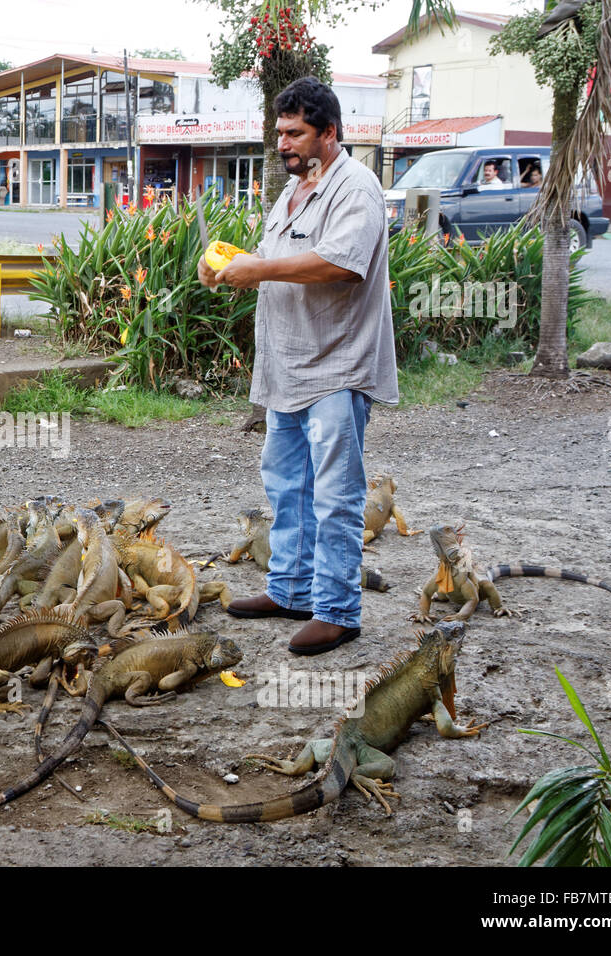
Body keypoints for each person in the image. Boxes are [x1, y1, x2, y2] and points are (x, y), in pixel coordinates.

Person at [197, 76, 398, 655]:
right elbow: (282, 264)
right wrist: (232, 268)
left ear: (329, 133)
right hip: (286, 369)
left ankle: (337, 610)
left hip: (337, 367)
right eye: (279, 132)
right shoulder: (290, 195)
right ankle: (290, 589)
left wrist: (257, 270)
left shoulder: (354, 189)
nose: (283, 143)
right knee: (287, 486)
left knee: (336, 493)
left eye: (295, 133)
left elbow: (340, 263)